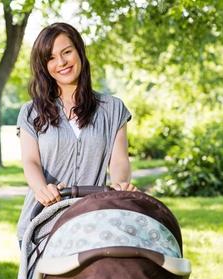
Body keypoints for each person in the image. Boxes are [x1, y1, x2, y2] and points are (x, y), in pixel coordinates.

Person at [17, 22, 137, 242]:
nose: (61, 62)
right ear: (44, 66)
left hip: (94, 220)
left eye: (66, 52)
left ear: (79, 52)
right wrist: (42, 189)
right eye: (51, 58)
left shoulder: (113, 109)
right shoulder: (30, 111)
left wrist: (119, 184)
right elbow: (30, 161)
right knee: (38, 277)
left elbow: (119, 161)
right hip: (44, 221)